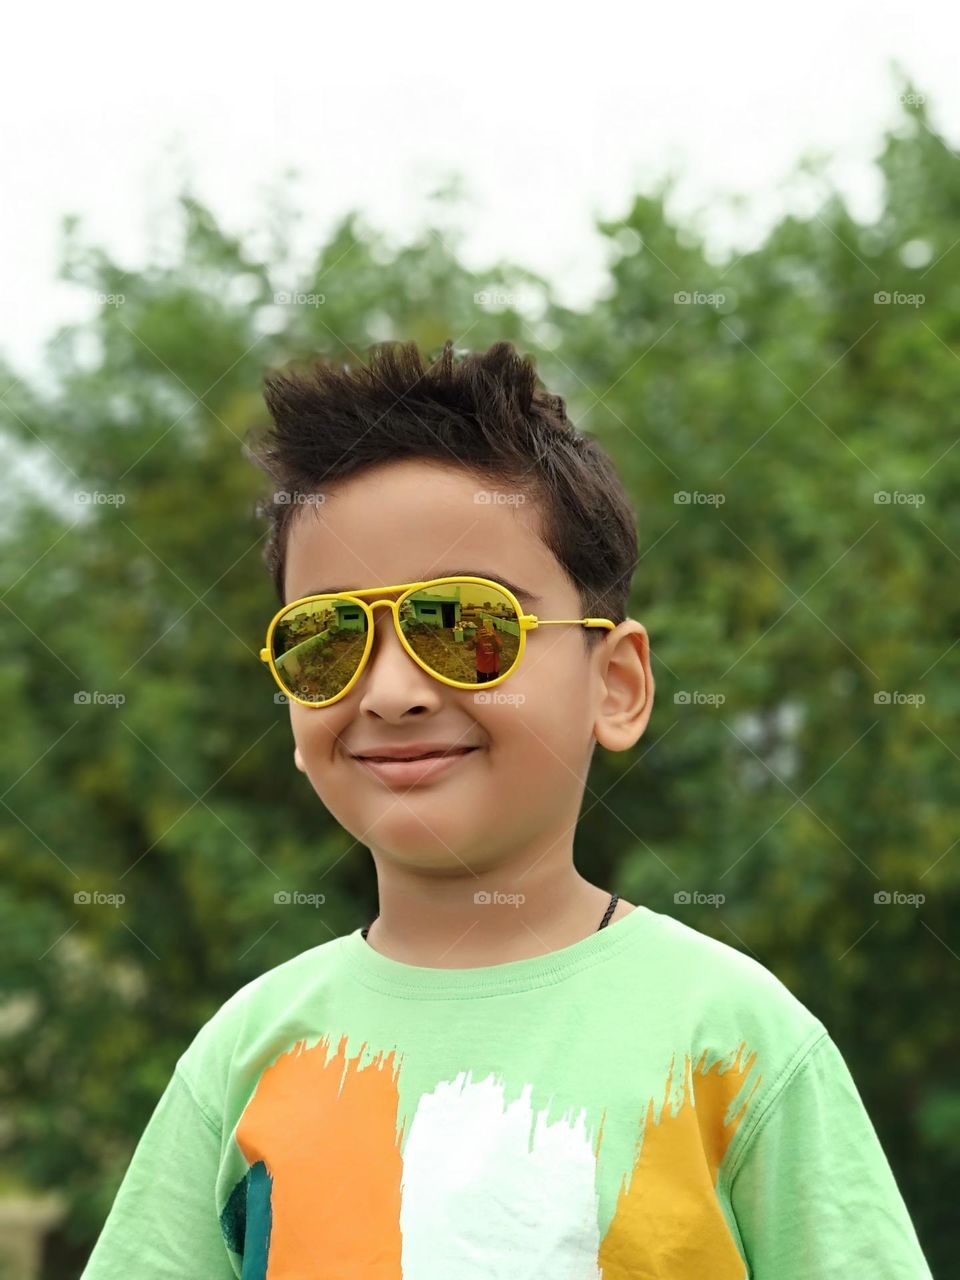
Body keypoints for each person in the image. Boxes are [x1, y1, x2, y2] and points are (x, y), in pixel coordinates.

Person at [80, 340, 933, 1278]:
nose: (392, 690)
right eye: (328, 638)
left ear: (615, 685)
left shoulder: (734, 1041)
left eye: (466, 625)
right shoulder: (246, 1055)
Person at [473, 617, 503, 682]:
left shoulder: (495, 637)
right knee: (481, 686)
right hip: (481, 668)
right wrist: (475, 640)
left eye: (490, 628)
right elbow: (468, 647)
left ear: (494, 630)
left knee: (492, 688)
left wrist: (493, 638)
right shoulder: (478, 637)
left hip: (494, 669)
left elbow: (499, 649)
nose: (487, 630)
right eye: (484, 627)